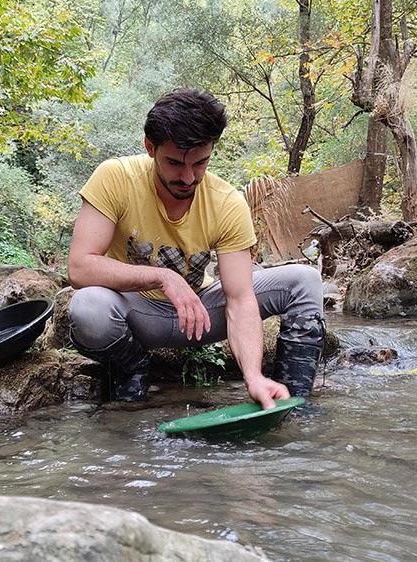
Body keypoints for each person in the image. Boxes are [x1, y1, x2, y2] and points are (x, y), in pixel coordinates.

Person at [66, 88, 325, 409]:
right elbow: (79, 267)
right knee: (87, 306)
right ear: (150, 147)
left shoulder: (227, 202)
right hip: (137, 314)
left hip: (202, 315)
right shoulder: (116, 177)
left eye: (200, 163)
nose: (188, 177)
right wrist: (163, 277)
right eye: (174, 163)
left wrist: (253, 376)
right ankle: (133, 368)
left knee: (305, 280)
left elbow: (241, 298)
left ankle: (292, 402)